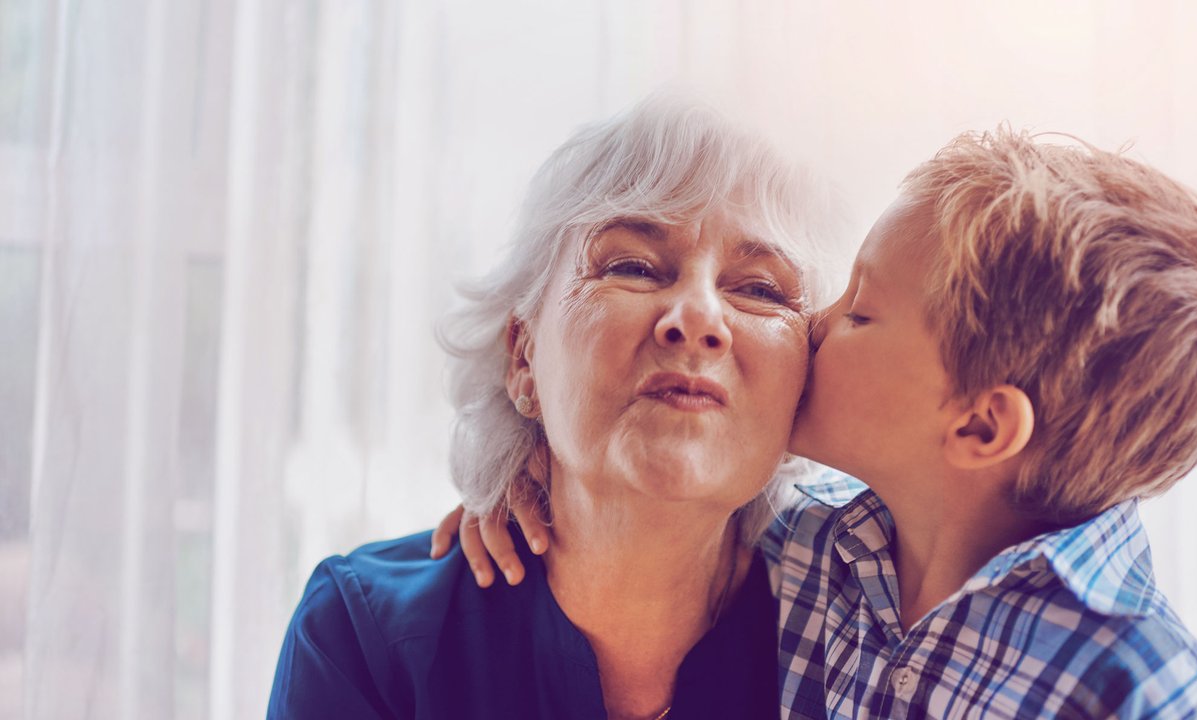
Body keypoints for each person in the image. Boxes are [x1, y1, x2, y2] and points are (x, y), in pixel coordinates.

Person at [446, 128, 1197, 718]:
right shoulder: (821, 545)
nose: (814, 324)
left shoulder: (1149, 689)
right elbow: (659, 503)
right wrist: (530, 474)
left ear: (980, 429)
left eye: (861, 309)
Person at [266, 96, 846, 719]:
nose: (699, 318)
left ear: (804, 385)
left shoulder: (857, 631)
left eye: (761, 290)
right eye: (634, 267)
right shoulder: (362, 634)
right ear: (523, 357)